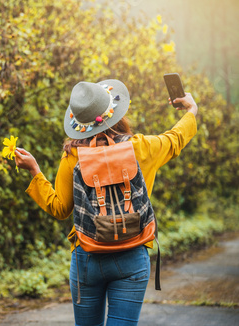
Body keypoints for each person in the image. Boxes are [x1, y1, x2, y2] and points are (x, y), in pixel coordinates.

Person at [14, 79, 198, 326]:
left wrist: (35, 171)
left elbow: (59, 209)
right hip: (132, 256)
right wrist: (191, 110)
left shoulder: (72, 156)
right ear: (114, 113)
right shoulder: (140, 147)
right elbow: (175, 139)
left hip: (87, 258)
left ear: (79, 123)